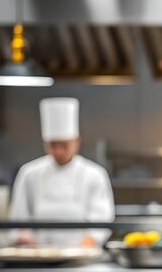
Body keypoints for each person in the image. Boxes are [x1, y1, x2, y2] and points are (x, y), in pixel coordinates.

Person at [9, 97, 114, 247]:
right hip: (38, 255)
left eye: (64, 145)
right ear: (45, 143)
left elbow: (101, 220)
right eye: (53, 145)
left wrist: (83, 247)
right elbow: (19, 219)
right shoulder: (29, 173)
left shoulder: (94, 174)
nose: (58, 151)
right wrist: (25, 238)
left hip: (81, 258)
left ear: (77, 142)